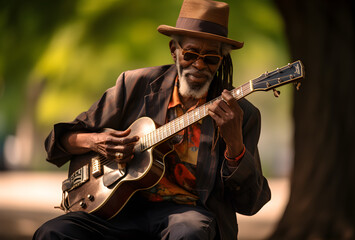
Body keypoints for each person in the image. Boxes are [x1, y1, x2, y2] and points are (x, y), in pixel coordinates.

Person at [33, 0, 271, 239]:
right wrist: (96, 141)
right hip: (117, 210)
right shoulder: (134, 85)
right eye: (190, 54)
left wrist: (235, 148)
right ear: (173, 50)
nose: (199, 65)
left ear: (221, 60)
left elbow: (250, 203)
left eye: (210, 58)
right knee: (52, 232)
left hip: (187, 215)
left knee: (190, 233)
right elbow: (59, 142)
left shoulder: (240, 114)